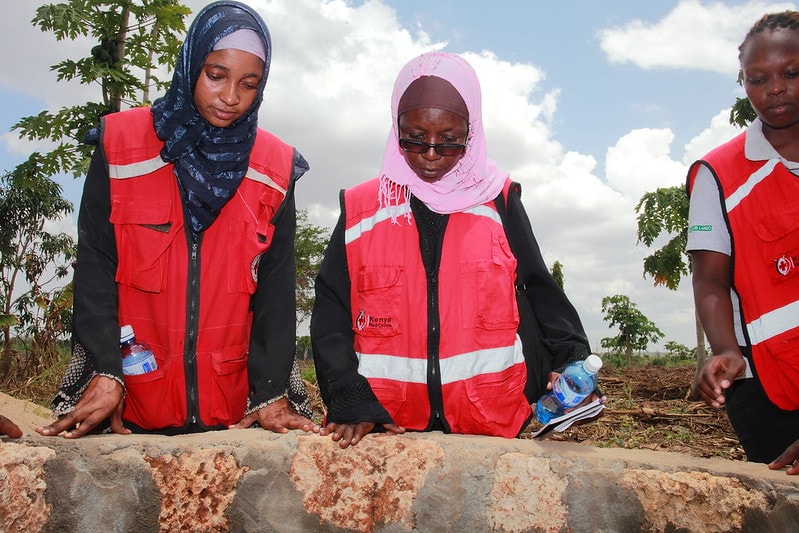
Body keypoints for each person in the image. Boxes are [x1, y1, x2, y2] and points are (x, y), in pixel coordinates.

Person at [37, 1, 317, 438]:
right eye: (216, 75)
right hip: (129, 404)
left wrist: (269, 392)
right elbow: (95, 265)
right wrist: (105, 369)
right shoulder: (120, 144)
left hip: (231, 413)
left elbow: (275, 292)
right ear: (190, 65)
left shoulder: (276, 167)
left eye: (249, 84)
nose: (231, 97)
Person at [311, 51, 596, 449]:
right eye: (414, 138)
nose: (430, 154)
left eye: (449, 141)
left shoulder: (499, 200)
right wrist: (348, 397)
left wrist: (571, 360)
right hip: (386, 423)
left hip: (489, 421)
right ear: (395, 128)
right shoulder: (361, 208)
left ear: (471, 133)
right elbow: (331, 311)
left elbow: (539, 289)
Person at [687, 10, 799, 469]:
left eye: (791, 73)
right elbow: (710, 278)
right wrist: (727, 350)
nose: (775, 88)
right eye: (757, 79)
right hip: (764, 384)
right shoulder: (718, 173)